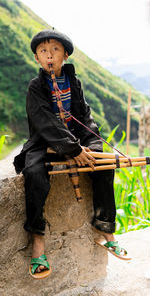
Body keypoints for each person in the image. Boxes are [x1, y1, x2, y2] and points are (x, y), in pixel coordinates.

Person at [14, 29, 130, 279]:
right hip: (44, 141)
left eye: (55, 50)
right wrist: (73, 149)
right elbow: (43, 121)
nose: (49, 56)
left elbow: (85, 115)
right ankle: (37, 243)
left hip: (78, 137)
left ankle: (105, 230)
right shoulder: (36, 86)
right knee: (34, 173)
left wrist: (89, 145)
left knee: (104, 163)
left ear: (65, 55)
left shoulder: (73, 82)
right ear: (37, 58)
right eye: (43, 51)